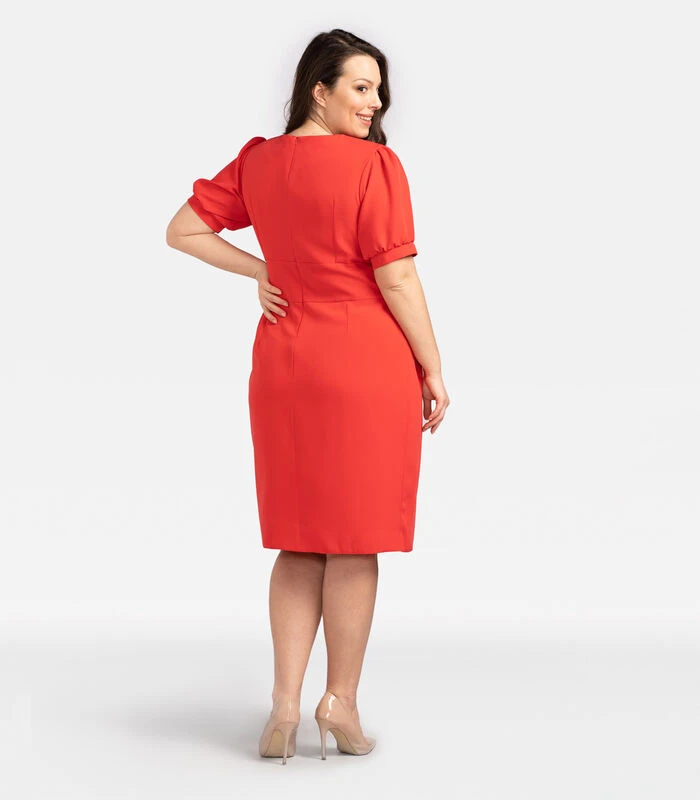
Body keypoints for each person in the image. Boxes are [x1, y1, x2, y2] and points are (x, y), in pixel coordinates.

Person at [166, 28, 449, 763]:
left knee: (299, 538)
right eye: (360, 87)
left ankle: (284, 709)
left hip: (285, 364)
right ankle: (339, 703)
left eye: (379, 90)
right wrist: (433, 365)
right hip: (363, 363)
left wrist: (261, 269)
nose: (375, 102)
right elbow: (396, 276)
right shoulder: (374, 166)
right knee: (354, 541)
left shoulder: (259, 162)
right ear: (317, 89)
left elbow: (183, 230)